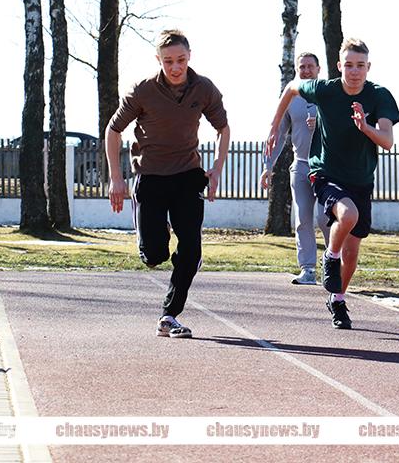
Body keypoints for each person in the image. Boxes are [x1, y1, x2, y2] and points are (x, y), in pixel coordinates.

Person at [265, 38, 399, 329]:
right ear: (339, 66)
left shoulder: (380, 96)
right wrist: (275, 125)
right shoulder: (324, 89)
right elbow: (291, 88)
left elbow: (387, 141)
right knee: (347, 216)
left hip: (361, 180)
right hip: (325, 172)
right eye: (348, 65)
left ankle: (337, 299)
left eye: (360, 66)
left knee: (352, 255)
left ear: (368, 67)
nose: (354, 71)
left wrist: (366, 127)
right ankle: (329, 255)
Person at [105, 29, 230, 339]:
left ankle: (169, 314)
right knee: (155, 255)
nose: (176, 67)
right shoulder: (143, 91)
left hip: (188, 176)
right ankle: (148, 242)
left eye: (181, 60)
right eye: (169, 61)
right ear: (158, 60)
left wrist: (215, 168)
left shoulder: (204, 89)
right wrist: (116, 178)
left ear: (190, 57)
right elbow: (113, 130)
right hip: (150, 177)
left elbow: (223, 129)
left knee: (190, 250)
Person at [260, 53, 329, 285]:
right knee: (302, 219)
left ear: (319, 69)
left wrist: (321, 122)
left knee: (326, 217)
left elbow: (344, 127)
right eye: (302, 67)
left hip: (327, 167)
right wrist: (268, 166)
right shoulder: (290, 98)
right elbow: (277, 134)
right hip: (300, 166)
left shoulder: (329, 93)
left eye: (311, 66)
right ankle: (308, 269)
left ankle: (333, 264)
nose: (306, 70)